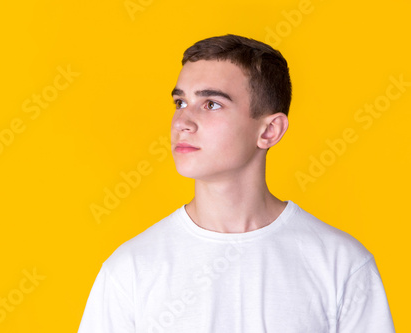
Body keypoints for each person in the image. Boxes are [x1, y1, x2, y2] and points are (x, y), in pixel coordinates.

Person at [77, 34, 395, 332]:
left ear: (269, 131)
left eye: (211, 104)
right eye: (180, 102)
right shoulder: (130, 269)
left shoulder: (342, 265)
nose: (182, 122)